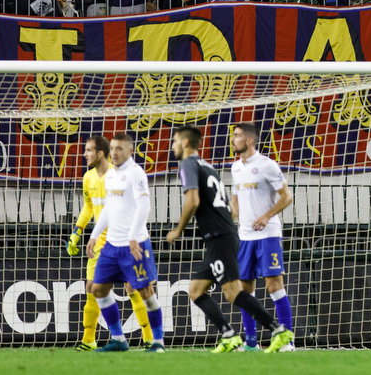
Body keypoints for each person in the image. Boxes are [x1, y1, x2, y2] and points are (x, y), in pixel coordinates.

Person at [163, 126, 293, 353]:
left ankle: (279, 333)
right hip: (234, 235)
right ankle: (233, 335)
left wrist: (177, 230)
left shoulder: (188, 165)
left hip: (226, 237)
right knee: (197, 290)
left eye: (174, 141)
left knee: (238, 291)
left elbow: (192, 201)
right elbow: (230, 202)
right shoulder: (210, 167)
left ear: (185, 143)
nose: (171, 146)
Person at [66, 134, 151, 351]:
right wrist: (78, 230)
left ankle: (149, 336)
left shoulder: (118, 176)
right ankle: (89, 339)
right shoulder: (88, 178)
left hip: (120, 240)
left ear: (100, 153)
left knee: (133, 287)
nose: (85, 154)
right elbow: (89, 206)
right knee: (92, 288)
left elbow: (136, 205)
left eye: (89, 150)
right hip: (99, 243)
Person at [83, 130, 165, 353]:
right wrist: (93, 235)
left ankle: (158, 342)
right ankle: (119, 339)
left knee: (145, 293)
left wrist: (132, 236)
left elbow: (144, 206)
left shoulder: (136, 173)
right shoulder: (110, 175)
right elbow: (109, 207)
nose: (115, 153)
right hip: (111, 246)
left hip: (134, 245)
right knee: (98, 288)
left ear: (130, 150)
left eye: (119, 149)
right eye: (112, 149)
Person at [231, 122, 296, 351]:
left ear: (249, 140)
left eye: (237, 136)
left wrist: (267, 216)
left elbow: (287, 196)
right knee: (244, 290)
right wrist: (232, 216)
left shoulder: (268, 165)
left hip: (268, 235)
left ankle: (286, 341)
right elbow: (235, 198)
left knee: (274, 286)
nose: (233, 139)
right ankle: (251, 344)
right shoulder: (235, 167)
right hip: (245, 237)